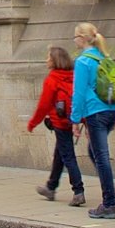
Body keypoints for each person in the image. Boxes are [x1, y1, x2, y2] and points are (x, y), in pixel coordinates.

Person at [71, 23, 115, 219]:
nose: (74, 40)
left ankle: (109, 203)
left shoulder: (83, 61)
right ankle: (112, 195)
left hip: (95, 113)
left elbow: (79, 93)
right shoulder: (104, 58)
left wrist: (75, 120)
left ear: (82, 39)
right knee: (94, 151)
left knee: (100, 156)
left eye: (75, 36)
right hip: (110, 111)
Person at [27, 44, 84, 206]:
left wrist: (33, 123)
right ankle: (51, 187)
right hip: (72, 119)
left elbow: (44, 105)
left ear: (55, 61)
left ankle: (78, 191)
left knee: (68, 156)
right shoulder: (74, 76)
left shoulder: (52, 79)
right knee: (60, 154)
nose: (46, 60)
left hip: (59, 122)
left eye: (49, 57)